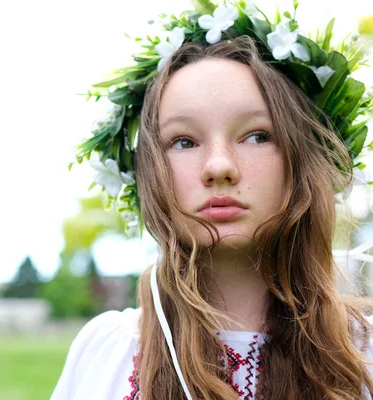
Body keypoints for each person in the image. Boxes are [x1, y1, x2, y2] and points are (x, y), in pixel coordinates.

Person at [51, 2, 373, 399]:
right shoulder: (108, 352)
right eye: (183, 141)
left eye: (256, 135)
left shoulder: (363, 358)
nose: (219, 166)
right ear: (150, 171)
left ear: (302, 158)